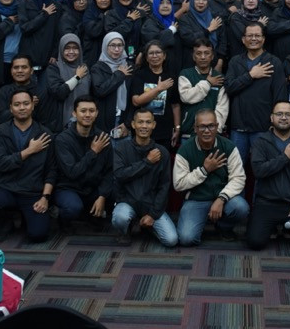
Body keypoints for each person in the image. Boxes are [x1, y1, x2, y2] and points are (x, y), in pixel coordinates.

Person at [0, 89, 56, 242]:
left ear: (32, 106)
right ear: (11, 108)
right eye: (17, 104)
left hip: (32, 192)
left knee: (38, 235)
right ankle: (6, 221)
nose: (22, 107)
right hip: (7, 188)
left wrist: (45, 197)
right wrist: (29, 151)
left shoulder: (45, 134)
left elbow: (51, 170)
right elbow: (0, 164)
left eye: (26, 103)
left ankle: (27, 217)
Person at [247, 102, 290, 252]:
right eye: (279, 114)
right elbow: (259, 171)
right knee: (255, 242)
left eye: (288, 114)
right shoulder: (261, 142)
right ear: (271, 118)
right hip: (267, 203)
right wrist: (285, 157)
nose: (284, 117)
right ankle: (276, 227)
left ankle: (286, 228)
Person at [173, 108, 248, 245]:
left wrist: (221, 199)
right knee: (186, 238)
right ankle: (200, 222)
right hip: (196, 200)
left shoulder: (228, 146)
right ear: (195, 128)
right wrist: (204, 170)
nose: (207, 131)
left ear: (217, 126)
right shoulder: (185, 150)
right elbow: (179, 184)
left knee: (241, 207)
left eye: (211, 126)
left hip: (223, 199)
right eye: (202, 126)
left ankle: (223, 226)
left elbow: (239, 178)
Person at [111, 109, 179, 247]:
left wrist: (153, 215)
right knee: (120, 218)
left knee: (171, 240)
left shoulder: (162, 152)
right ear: (133, 124)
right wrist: (147, 162)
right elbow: (120, 175)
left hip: (151, 205)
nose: (144, 126)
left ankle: (147, 226)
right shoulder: (121, 148)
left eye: (148, 122)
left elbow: (164, 186)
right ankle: (126, 229)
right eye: (140, 122)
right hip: (127, 203)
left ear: (154, 125)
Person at [225, 21, 287, 165]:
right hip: (238, 127)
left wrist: (275, 123)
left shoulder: (273, 62)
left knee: (265, 168)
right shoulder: (235, 61)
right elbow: (229, 88)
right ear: (243, 39)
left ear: (263, 39)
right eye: (250, 35)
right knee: (236, 169)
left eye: (257, 36)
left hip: (263, 128)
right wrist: (251, 75)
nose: (254, 39)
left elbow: (280, 96)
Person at [52, 95, 115, 228]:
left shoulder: (103, 138)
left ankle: (90, 213)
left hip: (92, 188)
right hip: (69, 188)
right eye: (83, 111)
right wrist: (93, 152)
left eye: (91, 111)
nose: (87, 115)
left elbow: (109, 171)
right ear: (74, 113)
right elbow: (72, 172)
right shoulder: (62, 139)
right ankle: (62, 218)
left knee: (116, 191)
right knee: (73, 208)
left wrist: (102, 196)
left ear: (96, 113)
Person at [125, 40, 180, 148]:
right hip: (142, 130)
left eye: (158, 52)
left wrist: (177, 127)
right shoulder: (139, 75)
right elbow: (136, 101)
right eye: (151, 53)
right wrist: (158, 89)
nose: (154, 56)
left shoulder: (171, 77)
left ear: (164, 56)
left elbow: (175, 105)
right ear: (146, 57)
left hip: (164, 131)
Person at [178, 39, 229, 138]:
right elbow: (186, 97)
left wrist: (215, 130)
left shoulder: (219, 78)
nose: (203, 57)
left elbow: (222, 108)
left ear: (212, 56)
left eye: (207, 53)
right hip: (189, 132)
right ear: (194, 56)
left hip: (212, 134)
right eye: (198, 53)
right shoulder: (185, 74)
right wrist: (208, 83)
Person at [91, 32, 133, 136]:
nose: (117, 49)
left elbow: (133, 95)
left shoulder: (129, 66)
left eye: (120, 45)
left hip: (124, 120)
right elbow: (100, 91)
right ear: (105, 47)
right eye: (112, 45)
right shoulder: (98, 68)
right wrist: (119, 74)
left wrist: (128, 123)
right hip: (104, 121)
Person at [46, 33, 92, 130]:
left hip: (85, 120)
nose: (71, 52)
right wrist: (77, 77)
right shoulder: (54, 68)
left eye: (75, 48)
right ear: (61, 49)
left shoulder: (84, 68)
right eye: (67, 48)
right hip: (61, 122)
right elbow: (59, 92)